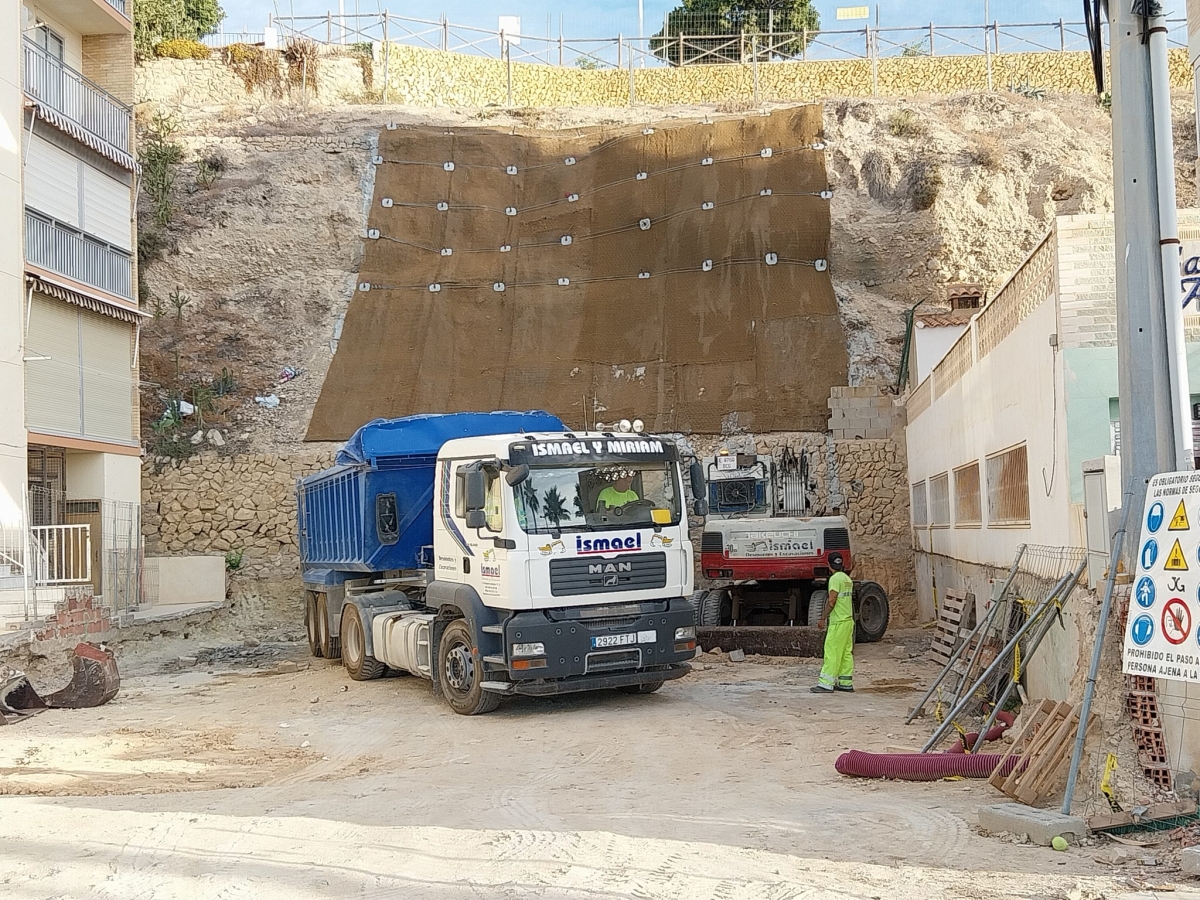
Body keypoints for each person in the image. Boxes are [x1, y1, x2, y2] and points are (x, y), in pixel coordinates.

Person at [811, 552, 854, 694]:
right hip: (848, 621)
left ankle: (825, 684)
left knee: (832, 651)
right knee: (845, 653)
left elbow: (832, 600)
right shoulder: (847, 579)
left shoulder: (835, 579)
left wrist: (822, 618)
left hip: (838, 622)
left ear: (829, 565)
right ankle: (845, 682)